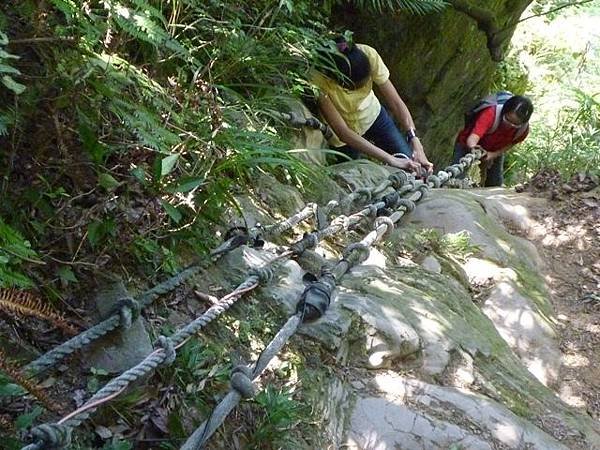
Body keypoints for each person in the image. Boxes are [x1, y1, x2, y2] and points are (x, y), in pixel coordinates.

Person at [312, 36, 433, 175]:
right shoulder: (317, 78)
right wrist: (391, 159)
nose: (362, 89)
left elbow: (396, 102)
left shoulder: (368, 54)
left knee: (415, 170)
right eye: (356, 87)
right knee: (351, 182)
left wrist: (415, 142)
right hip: (342, 138)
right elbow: (343, 132)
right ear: (338, 80)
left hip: (374, 116)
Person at [453, 94, 534, 186]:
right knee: (456, 177)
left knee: (495, 182)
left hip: (494, 149)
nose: (510, 126)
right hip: (467, 144)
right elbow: (473, 137)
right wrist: (474, 148)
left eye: (515, 125)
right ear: (504, 111)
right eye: (507, 120)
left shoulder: (522, 130)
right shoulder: (490, 114)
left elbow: (510, 144)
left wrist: (492, 155)